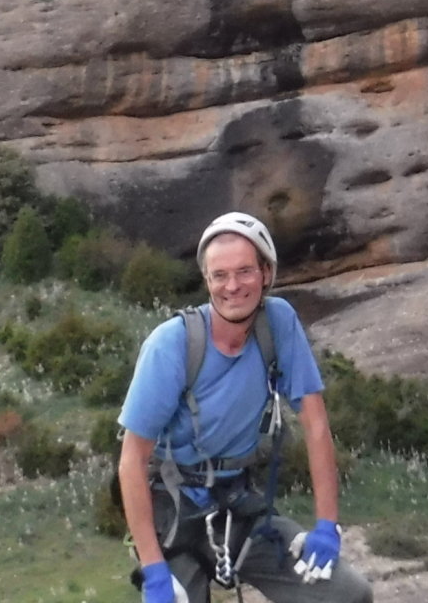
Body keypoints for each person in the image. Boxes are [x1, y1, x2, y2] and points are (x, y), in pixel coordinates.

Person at [116, 212, 371, 603]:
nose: (232, 286)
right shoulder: (171, 346)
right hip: (172, 510)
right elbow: (132, 459)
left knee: (347, 595)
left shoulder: (278, 323)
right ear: (207, 281)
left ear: (266, 273)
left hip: (237, 505)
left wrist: (326, 524)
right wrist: (153, 571)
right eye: (219, 275)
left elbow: (315, 422)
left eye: (244, 271)